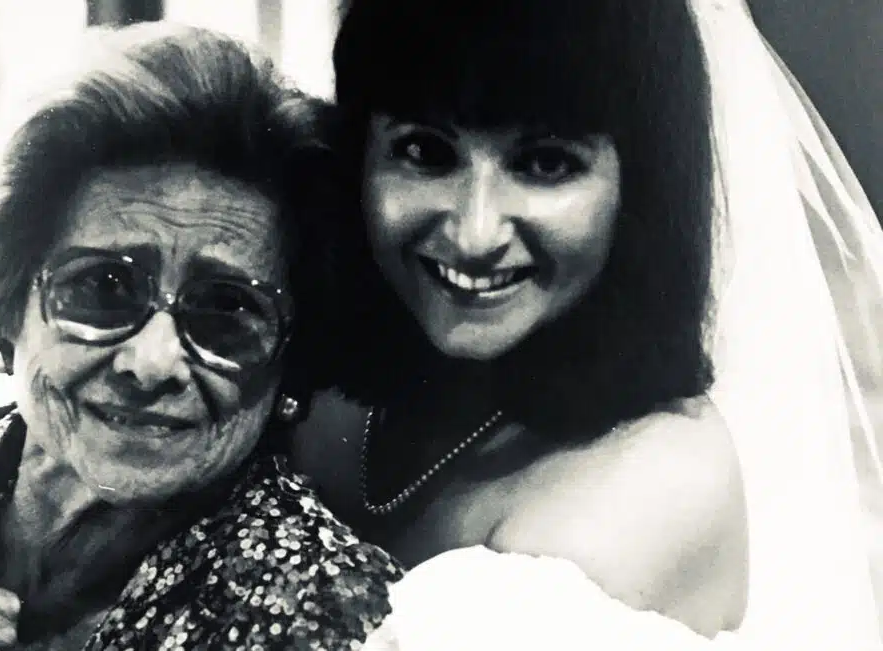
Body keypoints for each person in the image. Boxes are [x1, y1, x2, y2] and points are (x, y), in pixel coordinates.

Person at [294, 0, 883, 647]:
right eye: (425, 151)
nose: (474, 230)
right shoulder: (324, 394)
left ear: (639, 190)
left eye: (545, 164)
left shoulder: (649, 490)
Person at [0, 23, 402, 650]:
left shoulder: (320, 610)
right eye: (104, 289)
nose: (151, 362)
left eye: (226, 313)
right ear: (11, 302)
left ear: (291, 366)